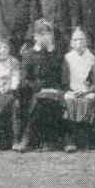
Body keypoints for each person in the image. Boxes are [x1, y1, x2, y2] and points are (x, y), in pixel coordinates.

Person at [15, 19, 65, 152]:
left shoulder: (57, 54)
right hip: (34, 92)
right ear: (35, 36)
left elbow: (62, 78)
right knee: (41, 100)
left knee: (47, 99)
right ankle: (34, 139)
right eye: (41, 34)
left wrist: (50, 53)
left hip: (55, 91)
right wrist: (40, 87)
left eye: (48, 34)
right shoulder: (28, 54)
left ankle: (30, 138)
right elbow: (24, 80)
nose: (45, 37)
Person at [62, 27, 95, 152]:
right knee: (69, 101)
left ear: (86, 42)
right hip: (72, 90)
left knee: (89, 101)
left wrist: (86, 91)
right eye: (76, 40)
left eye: (82, 40)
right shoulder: (67, 57)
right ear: (71, 43)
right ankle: (70, 138)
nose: (79, 43)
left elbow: (94, 80)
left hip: (87, 91)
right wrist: (71, 90)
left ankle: (84, 137)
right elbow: (65, 79)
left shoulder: (92, 58)